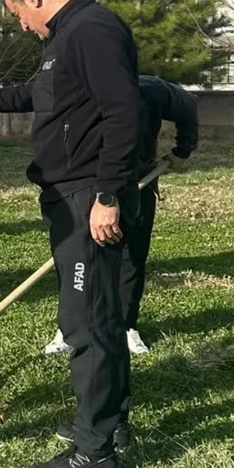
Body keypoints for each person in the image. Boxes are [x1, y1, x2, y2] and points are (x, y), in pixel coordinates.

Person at [0, 0, 141, 468]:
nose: (21, 24)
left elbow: (123, 112)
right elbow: (47, 94)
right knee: (98, 315)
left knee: (86, 322)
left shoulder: (92, 30)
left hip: (88, 197)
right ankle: (109, 425)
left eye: (18, 13)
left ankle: (94, 449)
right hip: (69, 195)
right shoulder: (66, 35)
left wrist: (107, 194)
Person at [44, 74, 199, 360]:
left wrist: (183, 149)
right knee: (76, 258)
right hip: (82, 182)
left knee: (131, 254)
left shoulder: (150, 90)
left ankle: (126, 326)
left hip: (136, 182)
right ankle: (70, 329)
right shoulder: (74, 88)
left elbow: (188, 104)